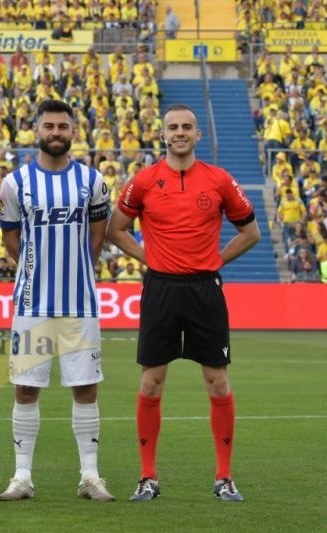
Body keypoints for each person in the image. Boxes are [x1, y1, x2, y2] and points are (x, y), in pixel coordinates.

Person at [105, 104, 260, 502]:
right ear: (162, 135)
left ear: (198, 135)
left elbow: (251, 232)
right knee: (152, 383)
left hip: (205, 290)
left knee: (217, 381)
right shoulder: (143, 180)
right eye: (172, 127)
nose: (179, 133)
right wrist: (149, 259)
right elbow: (115, 229)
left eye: (187, 127)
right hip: (161, 289)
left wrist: (215, 261)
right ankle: (147, 477)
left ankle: (224, 477)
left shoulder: (219, 179)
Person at [0, 99, 115, 503]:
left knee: (85, 388)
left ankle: (90, 476)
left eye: (63, 126)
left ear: (73, 132)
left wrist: (76, 268)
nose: (56, 133)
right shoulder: (16, 183)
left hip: (80, 304)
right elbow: (11, 236)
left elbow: (97, 236)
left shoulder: (93, 181)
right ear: (37, 132)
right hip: (31, 306)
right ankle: (22, 477)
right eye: (49, 126)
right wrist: (33, 268)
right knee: (26, 389)